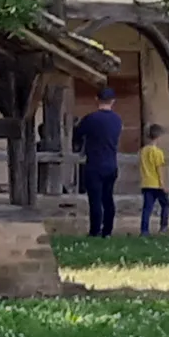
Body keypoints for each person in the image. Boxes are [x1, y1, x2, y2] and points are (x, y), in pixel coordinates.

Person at [72, 87, 122, 237]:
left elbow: (78, 135)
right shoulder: (117, 120)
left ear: (96, 99)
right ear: (113, 101)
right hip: (111, 164)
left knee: (95, 200)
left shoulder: (91, 119)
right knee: (108, 198)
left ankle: (95, 230)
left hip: (94, 164)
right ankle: (108, 231)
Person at [139, 124, 169, 236]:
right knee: (165, 204)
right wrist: (163, 184)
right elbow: (159, 169)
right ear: (158, 137)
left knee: (147, 208)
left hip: (146, 182)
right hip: (156, 183)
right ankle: (163, 227)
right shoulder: (158, 152)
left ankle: (144, 230)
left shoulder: (143, 151)